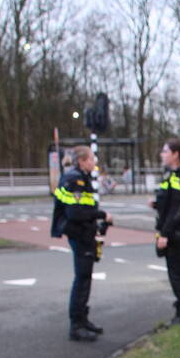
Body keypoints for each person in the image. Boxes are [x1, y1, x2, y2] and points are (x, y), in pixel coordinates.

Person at [51, 145, 112, 341]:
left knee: (85, 278)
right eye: (92, 159)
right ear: (82, 161)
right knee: (82, 279)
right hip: (79, 234)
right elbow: (75, 212)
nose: (95, 163)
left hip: (83, 232)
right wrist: (102, 215)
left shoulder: (80, 178)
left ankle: (83, 319)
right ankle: (76, 325)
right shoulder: (74, 180)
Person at [150, 138, 180, 326]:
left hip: (177, 231)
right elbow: (172, 202)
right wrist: (156, 204)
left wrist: (165, 234)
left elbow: (179, 209)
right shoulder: (173, 175)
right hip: (174, 228)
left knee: (177, 271)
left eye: (165, 151)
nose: (162, 155)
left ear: (175, 154)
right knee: (176, 270)